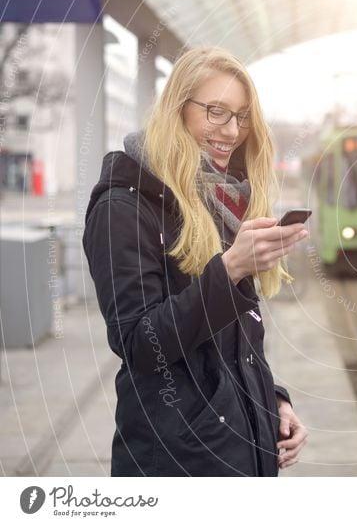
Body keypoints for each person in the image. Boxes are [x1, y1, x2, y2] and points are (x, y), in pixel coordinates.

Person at [83, 46, 308, 476]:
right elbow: (139, 345)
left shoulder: (215, 200)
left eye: (242, 116)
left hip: (240, 452)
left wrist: (272, 400)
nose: (232, 130)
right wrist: (230, 271)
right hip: (177, 462)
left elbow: (228, 348)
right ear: (177, 109)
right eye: (216, 112)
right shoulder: (122, 207)